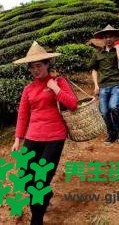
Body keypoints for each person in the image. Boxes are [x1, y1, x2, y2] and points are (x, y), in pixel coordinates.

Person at [11, 41, 78, 225]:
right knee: (25, 177)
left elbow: (72, 104)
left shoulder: (59, 81)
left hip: (54, 137)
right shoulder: (28, 89)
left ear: (47, 64)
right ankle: (47, 194)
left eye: (38, 66)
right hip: (32, 137)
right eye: (32, 67)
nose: (35, 70)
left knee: (39, 182)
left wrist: (55, 88)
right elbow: (23, 115)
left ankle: (37, 219)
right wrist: (18, 139)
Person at [88, 25, 119, 144]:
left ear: (114, 38)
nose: (108, 39)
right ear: (103, 39)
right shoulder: (97, 54)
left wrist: (118, 48)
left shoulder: (118, 50)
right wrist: (96, 85)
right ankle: (111, 133)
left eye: (110, 36)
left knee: (113, 107)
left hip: (117, 83)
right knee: (104, 111)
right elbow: (94, 70)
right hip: (103, 86)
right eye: (106, 37)